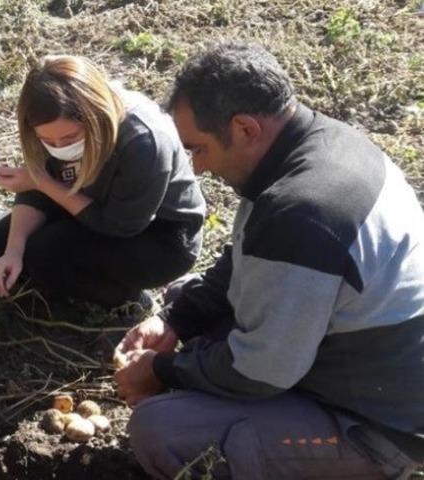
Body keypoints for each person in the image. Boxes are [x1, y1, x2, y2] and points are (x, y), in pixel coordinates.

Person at [114, 43, 424, 478]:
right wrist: (176, 321)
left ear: (244, 128)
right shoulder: (319, 144)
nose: (197, 168)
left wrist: (162, 370)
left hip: (375, 432)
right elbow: (250, 257)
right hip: (361, 364)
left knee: (160, 430)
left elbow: (262, 372)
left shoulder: (303, 211)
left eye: (198, 149)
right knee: (193, 301)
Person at [0, 55, 206, 308]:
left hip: (158, 236)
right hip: (92, 202)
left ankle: (127, 298)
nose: (58, 148)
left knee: (45, 252)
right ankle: (55, 279)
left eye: (69, 139)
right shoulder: (51, 122)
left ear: (94, 118)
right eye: (48, 141)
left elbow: (120, 225)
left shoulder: (144, 140)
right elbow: (37, 188)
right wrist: (13, 251)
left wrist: (43, 183)